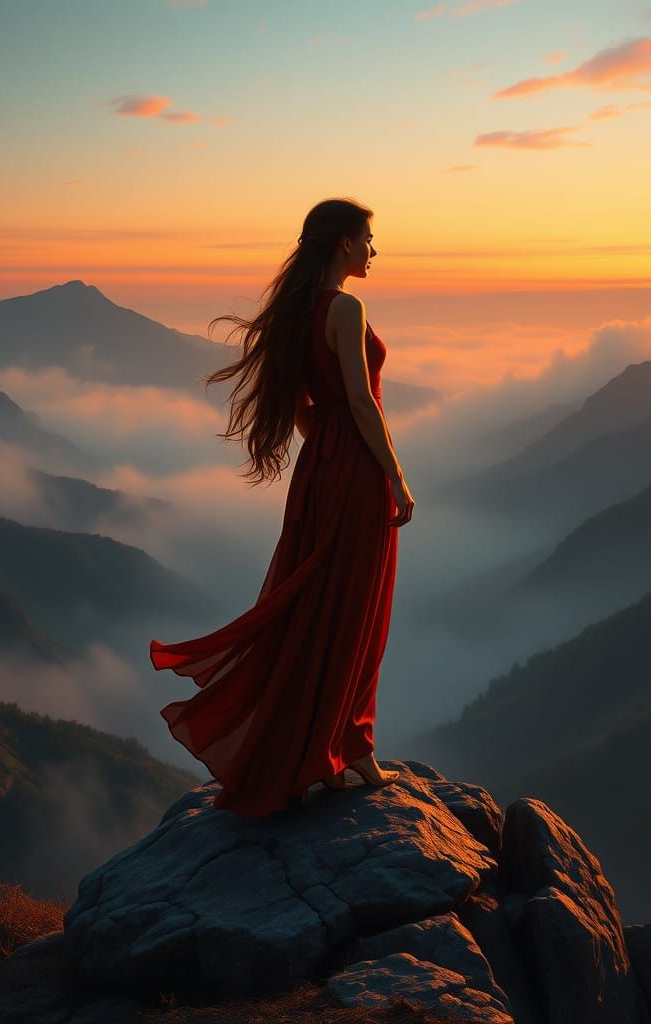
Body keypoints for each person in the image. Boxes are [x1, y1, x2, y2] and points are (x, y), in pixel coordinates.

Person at [150, 197, 415, 818]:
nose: (374, 251)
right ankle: (349, 746)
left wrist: (324, 453)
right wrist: (395, 477)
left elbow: (304, 406)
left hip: (318, 469)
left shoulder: (299, 312)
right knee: (355, 608)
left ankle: (325, 747)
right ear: (344, 244)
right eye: (369, 239)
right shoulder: (346, 308)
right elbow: (359, 399)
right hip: (353, 469)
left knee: (316, 604)